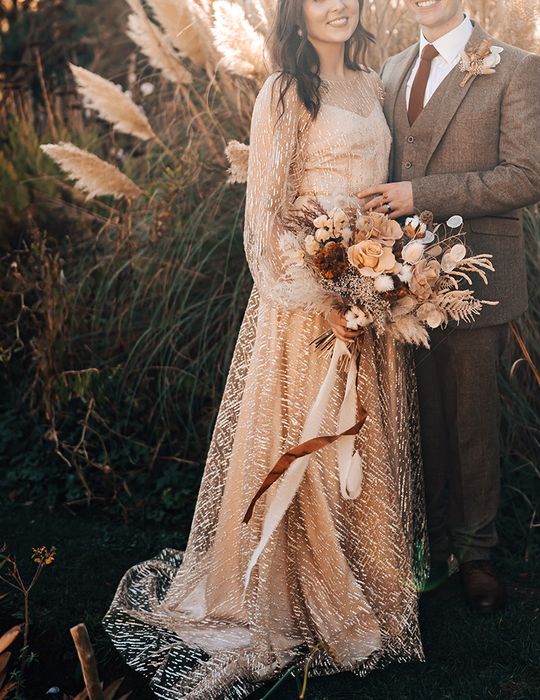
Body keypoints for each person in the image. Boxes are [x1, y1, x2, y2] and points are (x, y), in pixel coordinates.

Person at [101, 0, 427, 695]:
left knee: (361, 452)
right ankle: (295, 599)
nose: (338, 6)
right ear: (296, 10)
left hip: (372, 300)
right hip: (306, 309)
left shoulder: (373, 85)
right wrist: (329, 296)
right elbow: (266, 220)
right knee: (305, 447)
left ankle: (367, 589)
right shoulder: (283, 91)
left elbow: (381, 199)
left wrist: (387, 280)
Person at [358, 0, 540, 613]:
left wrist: (422, 194)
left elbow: (525, 177)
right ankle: (425, 541)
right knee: (412, 413)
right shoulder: (387, 71)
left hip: (477, 276)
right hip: (393, 277)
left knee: (470, 417)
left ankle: (477, 554)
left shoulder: (515, 68)